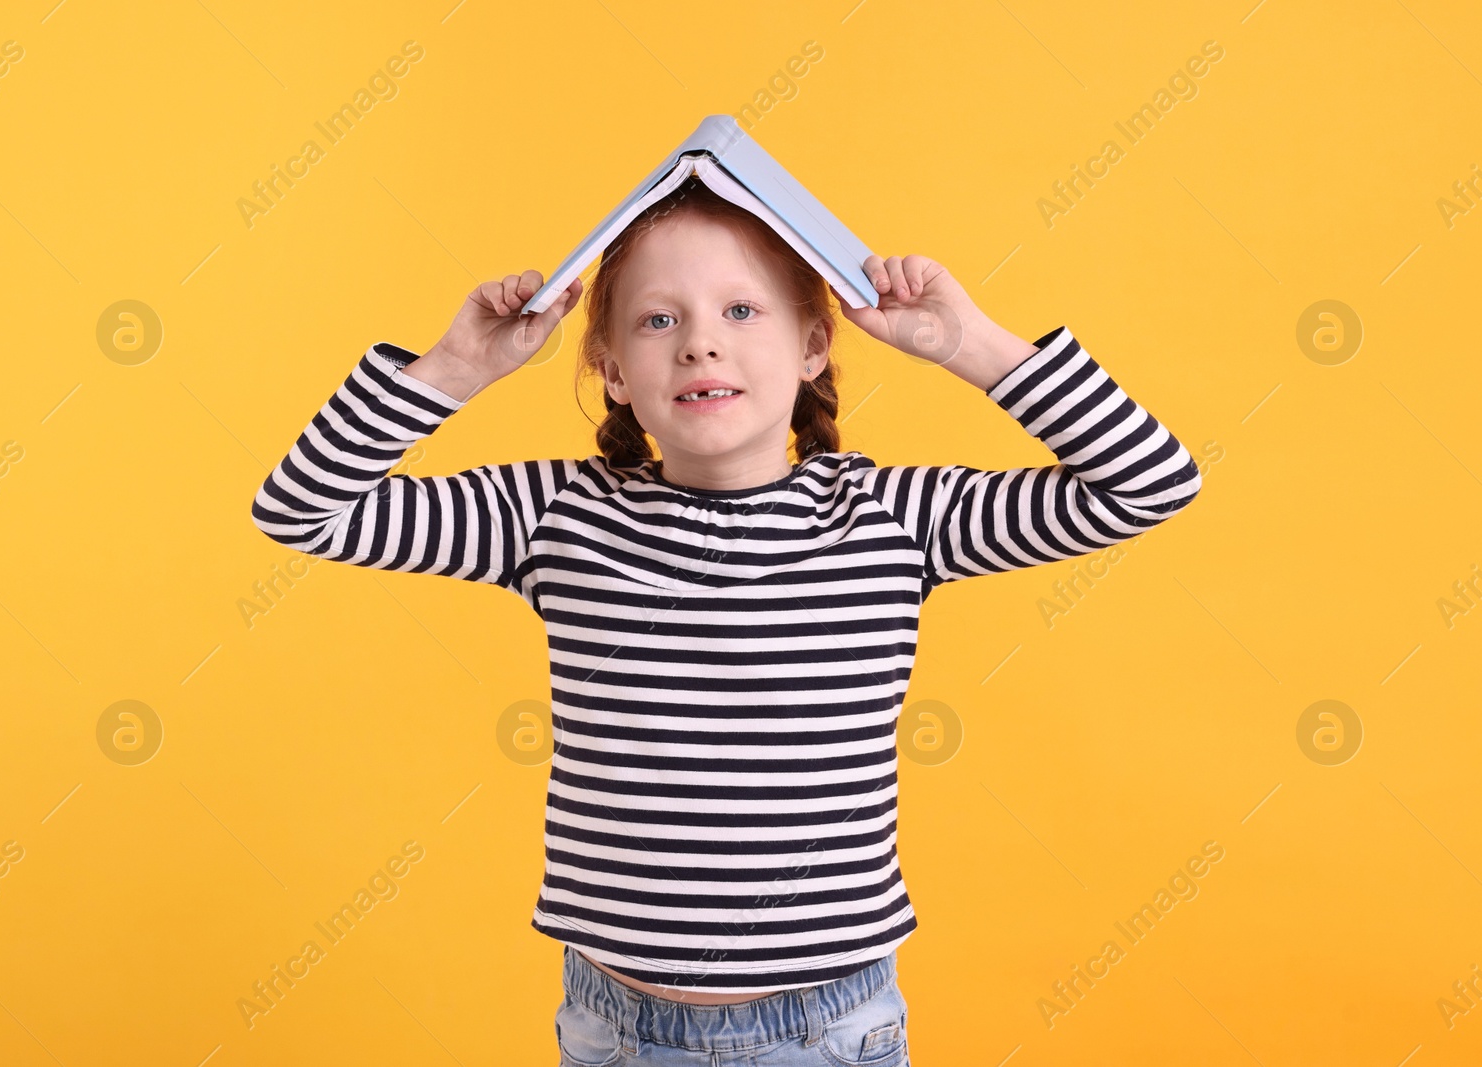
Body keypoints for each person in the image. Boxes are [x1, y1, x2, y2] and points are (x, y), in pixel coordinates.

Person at [251, 178, 1203, 1065]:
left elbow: (1150, 482)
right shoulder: (556, 517)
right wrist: (455, 368)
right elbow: (301, 509)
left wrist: (969, 344)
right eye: (658, 320)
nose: (699, 343)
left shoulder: (892, 519)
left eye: (741, 311)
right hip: (613, 1024)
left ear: (814, 345)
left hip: (830, 1026)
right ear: (613, 369)